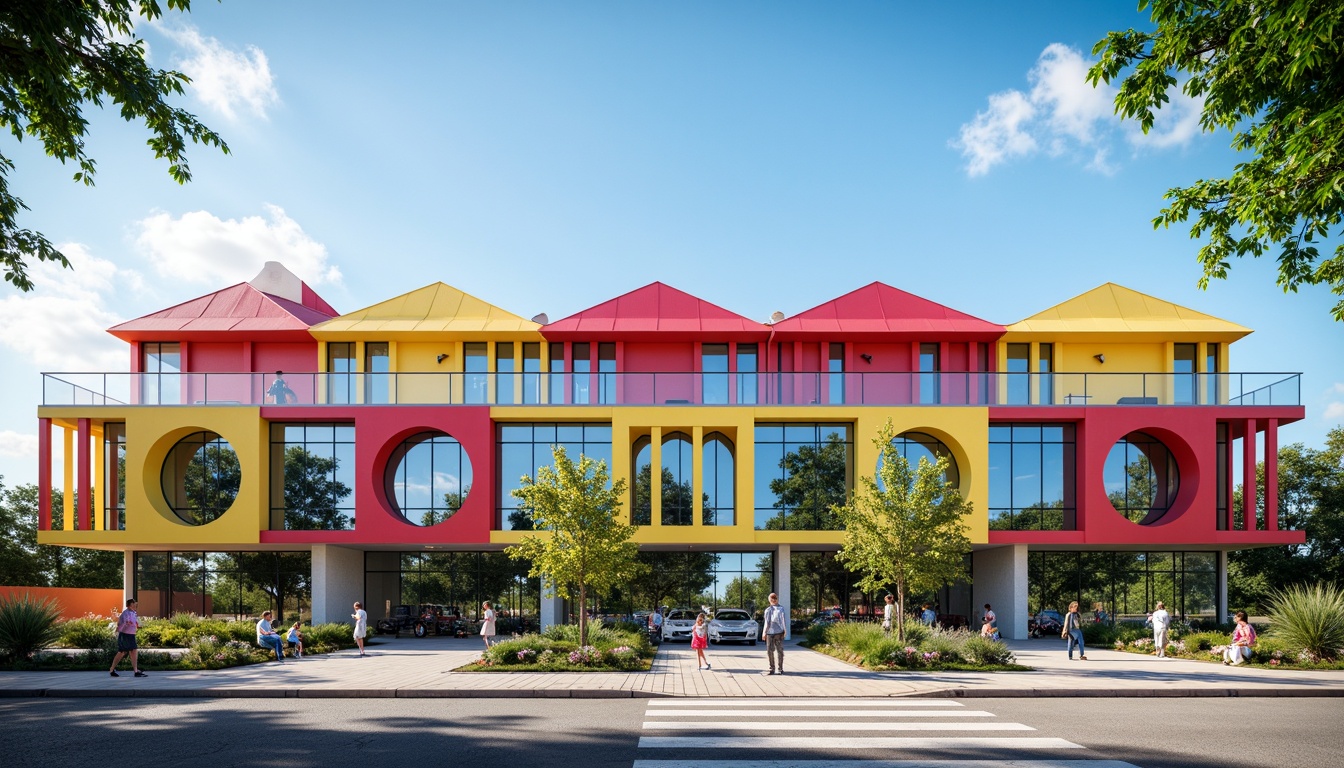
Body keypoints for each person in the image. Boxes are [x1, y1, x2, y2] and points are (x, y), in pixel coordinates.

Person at [109, 598, 146, 678]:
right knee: (122, 652)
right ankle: (112, 669)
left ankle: (136, 671)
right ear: (130, 605)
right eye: (134, 604)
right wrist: (117, 631)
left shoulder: (133, 613)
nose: (136, 605)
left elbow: (134, 623)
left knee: (132, 651)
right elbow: (123, 623)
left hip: (131, 635)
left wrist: (137, 625)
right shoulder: (126, 613)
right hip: (125, 635)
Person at [761, 592, 787, 676]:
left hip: (778, 632)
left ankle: (780, 668)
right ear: (770, 600)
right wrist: (764, 633)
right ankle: (772, 668)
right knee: (770, 651)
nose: (774, 600)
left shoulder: (781, 609)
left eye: (775, 598)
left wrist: (784, 631)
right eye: (772, 599)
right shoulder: (768, 610)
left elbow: (783, 621)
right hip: (770, 633)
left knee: (779, 650)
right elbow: (766, 622)